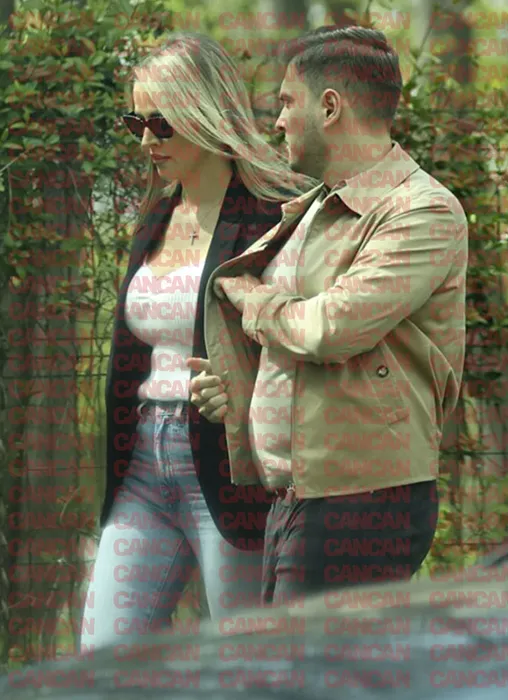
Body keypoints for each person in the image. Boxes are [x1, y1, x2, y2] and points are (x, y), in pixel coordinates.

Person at [191, 26, 468, 606]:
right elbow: (295, 347)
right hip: (297, 499)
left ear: (330, 107)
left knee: (305, 664)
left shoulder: (422, 211)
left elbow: (329, 328)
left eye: (287, 102)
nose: (278, 121)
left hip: (365, 501)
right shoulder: (316, 207)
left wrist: (252, 300)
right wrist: (238, 392)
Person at [81, 32, 311, 650]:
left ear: (205, 115)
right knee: (102, 659)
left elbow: (304, 333)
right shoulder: (157, 213)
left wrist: (244, 388)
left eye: (161, 124)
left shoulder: (272, 216)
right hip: (142, 465)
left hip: (227, 465)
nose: (146, 141)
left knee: (246, 661)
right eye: (136, 123)